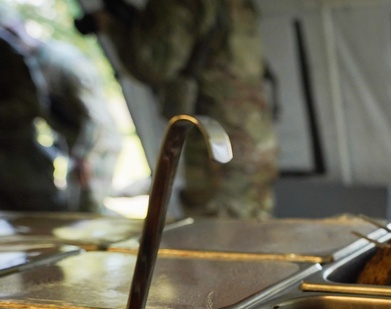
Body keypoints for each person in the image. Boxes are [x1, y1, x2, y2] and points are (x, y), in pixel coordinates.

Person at [86, 0, 278, 219]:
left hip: (216, 140)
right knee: (253, 223)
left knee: (217, 228)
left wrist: (113, 26)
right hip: (254, 133)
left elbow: (156, 65)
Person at [0, 5, 122, 214]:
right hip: (75, 145)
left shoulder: (64, 61)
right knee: (75, 209)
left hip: (97, 144)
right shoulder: (31, 65)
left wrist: (85, 156)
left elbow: (95, 117)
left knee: (88, 209)